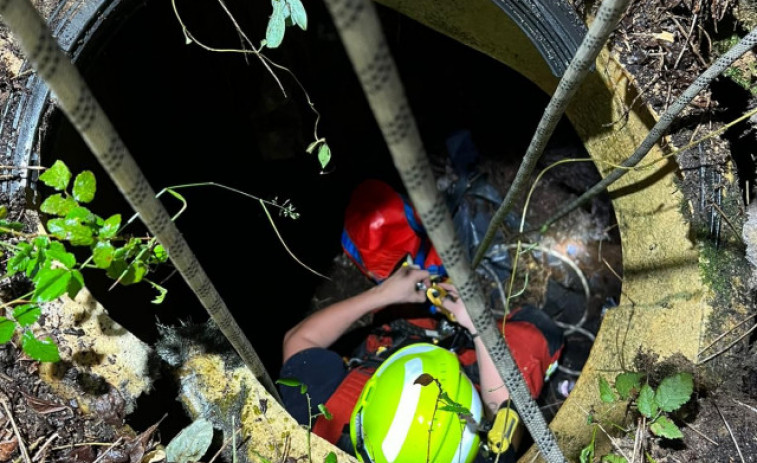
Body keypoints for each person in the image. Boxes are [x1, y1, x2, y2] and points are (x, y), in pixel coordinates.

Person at [279, 179, 563, 462]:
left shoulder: (322, 423)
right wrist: (479, 328)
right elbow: (502, 405)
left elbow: (299, 341)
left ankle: (411, 275)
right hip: (466, 378)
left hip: (391, 349)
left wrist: (383, 294)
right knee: (536, 336)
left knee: (375, 218)